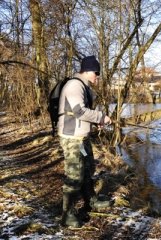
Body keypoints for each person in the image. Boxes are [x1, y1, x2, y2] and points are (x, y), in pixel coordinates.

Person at [58, 55, 112, 227]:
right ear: (88, 71)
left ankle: (91, 201)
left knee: (88, 169)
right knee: (75, 175)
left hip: (82, 138)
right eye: (96, 72)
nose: (98, 76)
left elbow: (82, 115)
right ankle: (67, 214)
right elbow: (78, 111)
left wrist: (97, 122)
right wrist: (101, 117)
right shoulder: (74, 85)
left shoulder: (83, 86)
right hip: (72, 138)